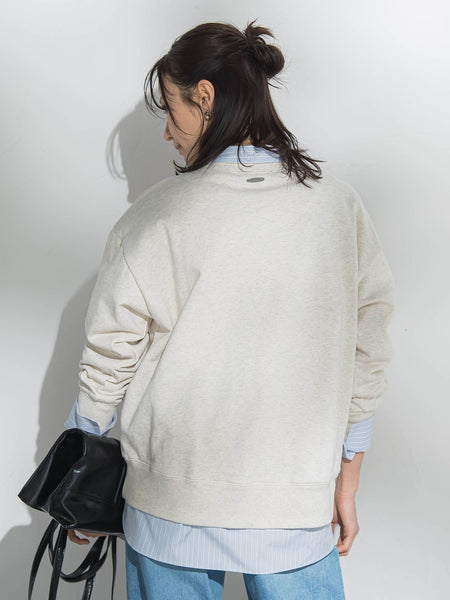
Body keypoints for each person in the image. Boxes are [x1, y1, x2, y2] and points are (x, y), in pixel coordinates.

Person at [63, 18, 395, 600]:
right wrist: (347, 482)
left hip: (170, 502)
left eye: (171, 109)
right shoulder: (338, 209)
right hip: (294, 505)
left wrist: (79, 483)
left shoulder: (153, 216)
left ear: (205, 96)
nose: (167, 132)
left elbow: (109, 359)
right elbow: (368, 349)